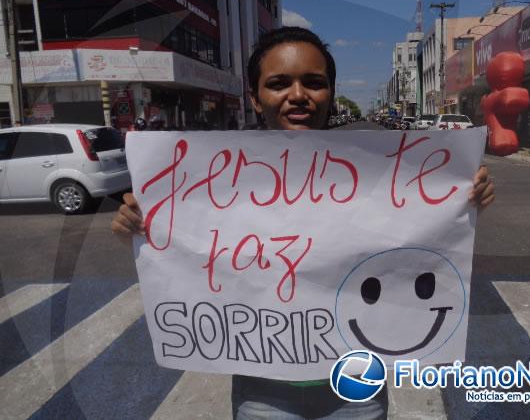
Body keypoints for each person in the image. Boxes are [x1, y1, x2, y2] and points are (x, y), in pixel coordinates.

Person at [111, 26, 495, 419]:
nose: (298, 95)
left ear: (330, 91)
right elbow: (186, 247)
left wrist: (461, 200)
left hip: (356, 384)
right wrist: (140, 226)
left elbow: (417, 242)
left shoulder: (378, 170)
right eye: (279, 83)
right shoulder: (215, 176)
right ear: (256, 99)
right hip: (263, 389)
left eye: (313, 82)